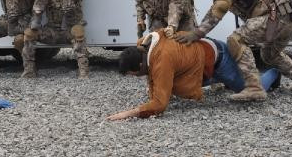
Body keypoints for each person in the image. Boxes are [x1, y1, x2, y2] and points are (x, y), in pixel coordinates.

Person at [106, 30, 281, 120]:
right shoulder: (144, 44)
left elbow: (159, 104)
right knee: (177, 82)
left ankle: (274, 72)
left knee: (254, 90)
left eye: (133, 74)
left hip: (219, 61)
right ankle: (228, 81)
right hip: (204, 58)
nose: (135, 77)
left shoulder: (162, 60)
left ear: (140, 65)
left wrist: (129, 113)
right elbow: (156, 82)